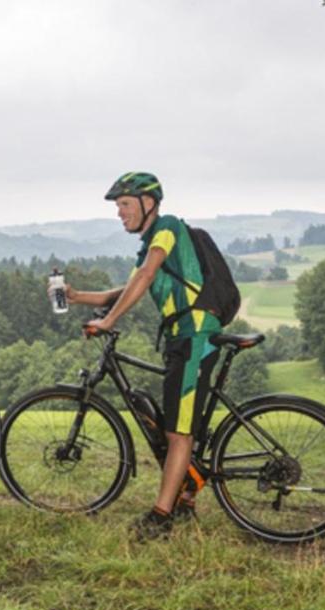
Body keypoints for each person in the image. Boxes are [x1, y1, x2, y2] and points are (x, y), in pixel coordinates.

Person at [66, 172, 221, 541]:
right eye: (118, 206)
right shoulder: (152, 241)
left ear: (148, 202)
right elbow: (125, 288)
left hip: (195, 334)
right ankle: (185, 496)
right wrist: (78, 296)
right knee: (177, 422)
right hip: (181, 337)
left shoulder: (165, 227)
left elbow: (146, 276)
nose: (119, 213)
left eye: (124, 204)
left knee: (178, 432)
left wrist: (109, 321)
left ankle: (161, 516)